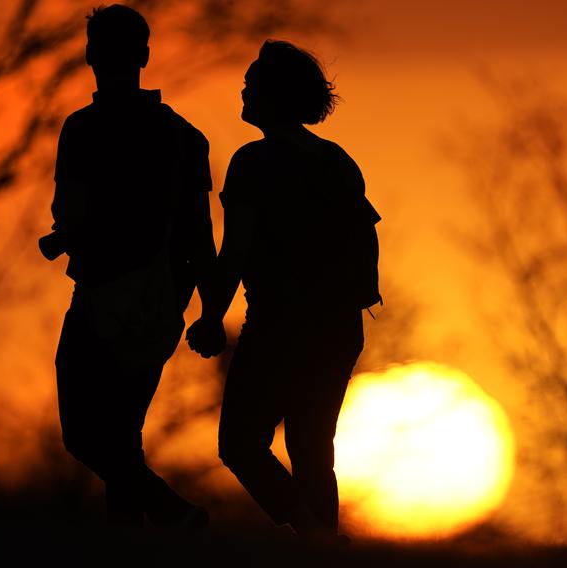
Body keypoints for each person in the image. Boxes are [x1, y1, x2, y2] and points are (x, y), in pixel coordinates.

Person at [187, 40, 381, 543]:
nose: (244, 89)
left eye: (253, 82)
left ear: (276, 95)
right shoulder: (338, 161)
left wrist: (211, 316)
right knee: (313, 448)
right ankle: (323, 544)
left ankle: (312, 534)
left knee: (240, 443)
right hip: (339, 328)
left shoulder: (254, 163)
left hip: (279, 325)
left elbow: (236, 253)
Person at [40, 4, 215, 527]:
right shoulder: (186, 135)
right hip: (163, 301)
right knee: (120, 436)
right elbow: (200, 234)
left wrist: (70, 236)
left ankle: (174, 513)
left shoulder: (82, 129)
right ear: (143, 55)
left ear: (91, 55)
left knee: (86, 435)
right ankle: (152, 532)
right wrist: (208, 311)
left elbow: (67, 214)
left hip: (97, 296)